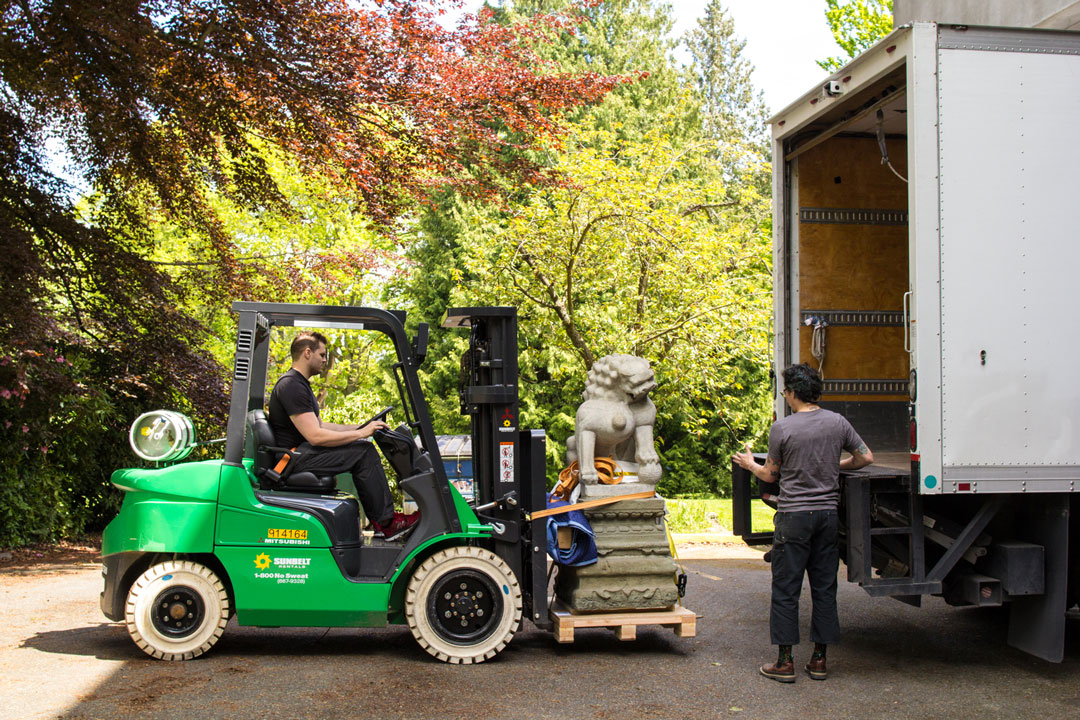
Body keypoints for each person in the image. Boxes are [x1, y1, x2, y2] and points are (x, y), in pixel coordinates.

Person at [733, 363, 873, 683]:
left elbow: (770, 474)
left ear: (793, 393)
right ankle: (819, 661)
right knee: (824, 589)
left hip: (794, 517)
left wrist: (747, 463)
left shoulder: (783, 428)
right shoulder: (838, 423)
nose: (785, 396)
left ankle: (785, 663)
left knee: (786, 590)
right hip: (826, 517)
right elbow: (866, 457)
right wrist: (838, 467)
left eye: (785, 391)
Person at [268, 330, 418, 541]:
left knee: (362, 445)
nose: (324, 360)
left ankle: (383, 521)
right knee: (364, 452)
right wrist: (361, 434)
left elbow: (320, 425)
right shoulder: (291, 385)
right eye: (322, 355)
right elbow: (316, 436)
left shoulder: (299, 384)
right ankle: (387, 523)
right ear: (307, 353)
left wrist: (360, 427)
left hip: (300, 454)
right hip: (293, 459)